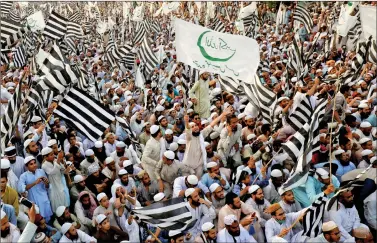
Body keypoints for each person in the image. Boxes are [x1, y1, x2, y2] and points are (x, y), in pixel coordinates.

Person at [18, 156, 53, 222]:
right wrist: (35, 183)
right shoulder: (23, 176)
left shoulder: (41, 171)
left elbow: (47, 187)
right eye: (31, 164)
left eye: (34, 163)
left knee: (48, 219)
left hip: (44, 199)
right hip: (34, 201)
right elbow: (20, 189)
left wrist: (47, 183)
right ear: (26, 166)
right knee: (39, 220)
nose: (34, 165)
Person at [41, 148, 70, 212]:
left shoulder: (55, 161)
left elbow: (62, 171)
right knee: (57, 207)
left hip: (60, 185)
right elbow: (52, 172)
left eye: (53, 154)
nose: (53, 156)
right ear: (45, 157)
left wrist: (67, 169)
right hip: (53, 188)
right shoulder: (44, 165)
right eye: (51, 155)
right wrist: (58, 160)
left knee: (64, 204)